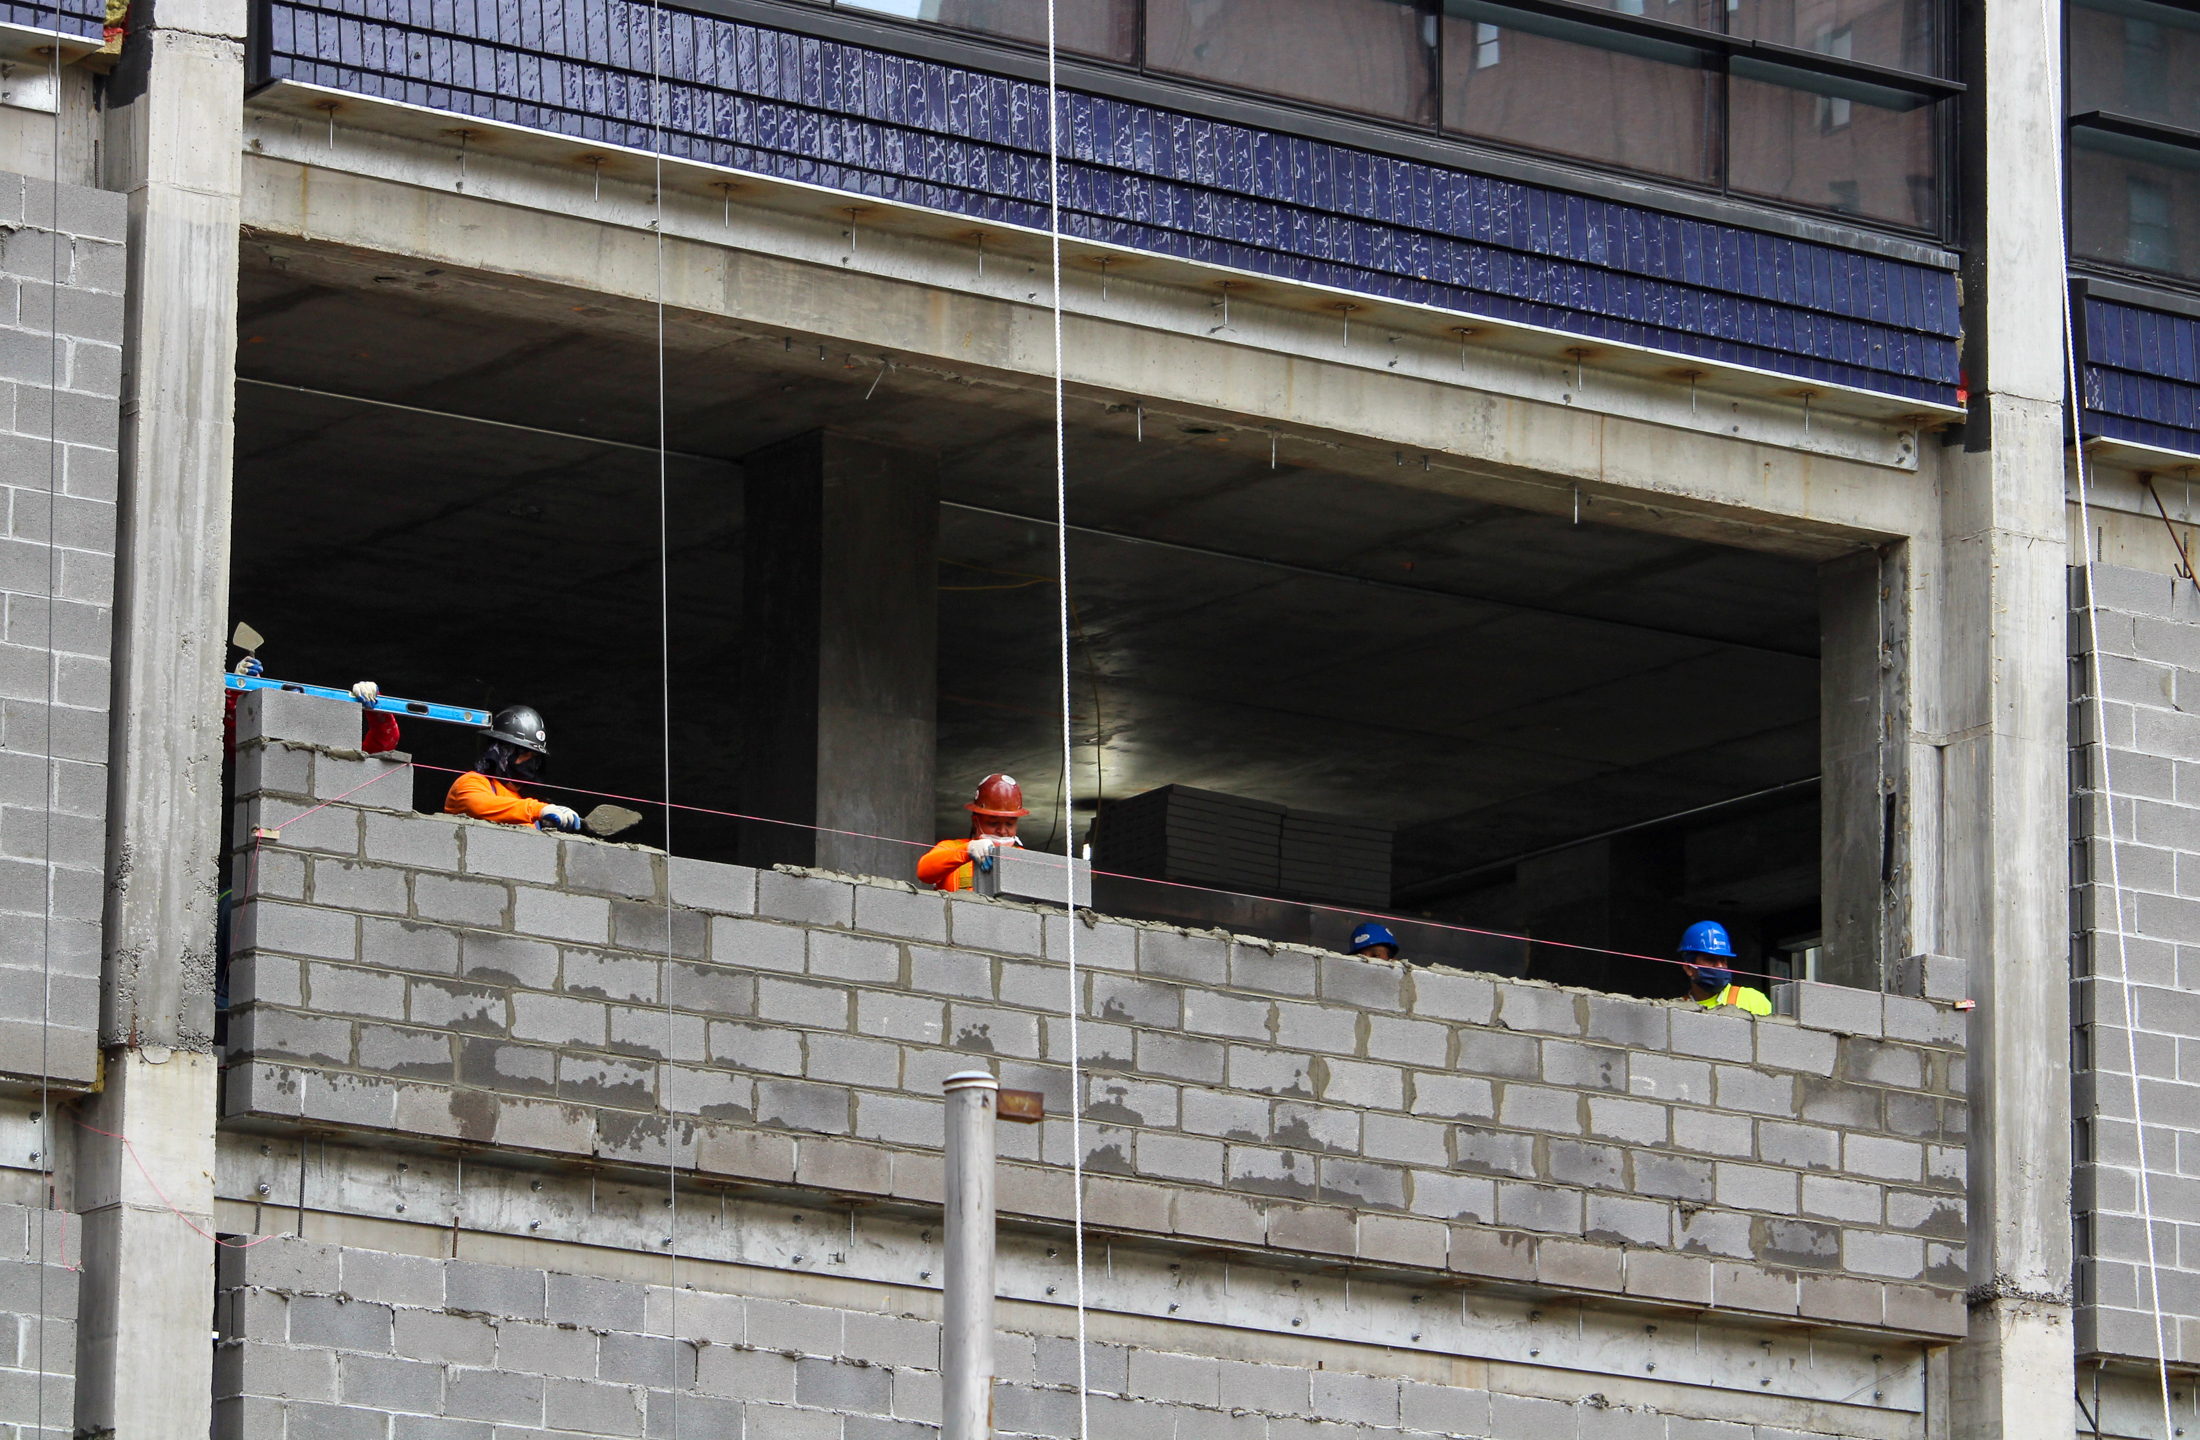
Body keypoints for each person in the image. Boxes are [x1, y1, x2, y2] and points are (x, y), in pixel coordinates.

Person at [225, 652, 400, 756]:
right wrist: (239, 689)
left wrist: (376, 703)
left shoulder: (338, 757)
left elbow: (383, 744)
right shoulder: (267, 752)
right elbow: (238, 741)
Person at [443, 704, 582, 832]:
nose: (530, 762)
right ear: (501, 752)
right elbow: (479, 806)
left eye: (534, 757)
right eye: (523, 753)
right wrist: (540, 810)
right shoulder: (469, 783)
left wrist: (543, 820)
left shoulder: (519, 800)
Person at [917, 773, 1028, 891]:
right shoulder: (953, 848)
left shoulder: (1023, 857)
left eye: (1009, 824)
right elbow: (924, 872)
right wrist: (966, 851)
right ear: (976, 821)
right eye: (993, 823)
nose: (1002, 831)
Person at [1677, 920, 1771, 1014]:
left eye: (1723, 960)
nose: (1719, 966)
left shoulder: (1753, 1001)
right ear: (1688, 968)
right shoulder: (1676, 1009)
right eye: (1710, 960)